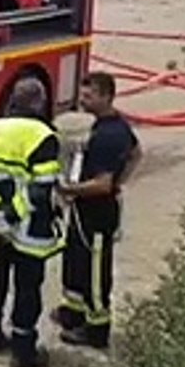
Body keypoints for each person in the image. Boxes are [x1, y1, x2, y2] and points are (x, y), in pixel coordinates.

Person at [0, 76, 66, 367]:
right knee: (27, 287)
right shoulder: (43, 136)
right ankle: (24, 351)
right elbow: (40, 189)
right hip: (31, 230)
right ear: (40, 103)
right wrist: (12, 216)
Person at [52, 71, 141, 350]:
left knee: (95, 274)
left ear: (106, 96)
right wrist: (120, 181)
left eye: (89, 96)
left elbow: (102, 184)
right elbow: (136, 154)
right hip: (84, 211)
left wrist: (69, 190)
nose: (82, 100)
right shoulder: (110, 126)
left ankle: (96, 330)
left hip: (97, 214)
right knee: (75, 262)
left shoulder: (108, 136)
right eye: (82, 94)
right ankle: (73, 312)